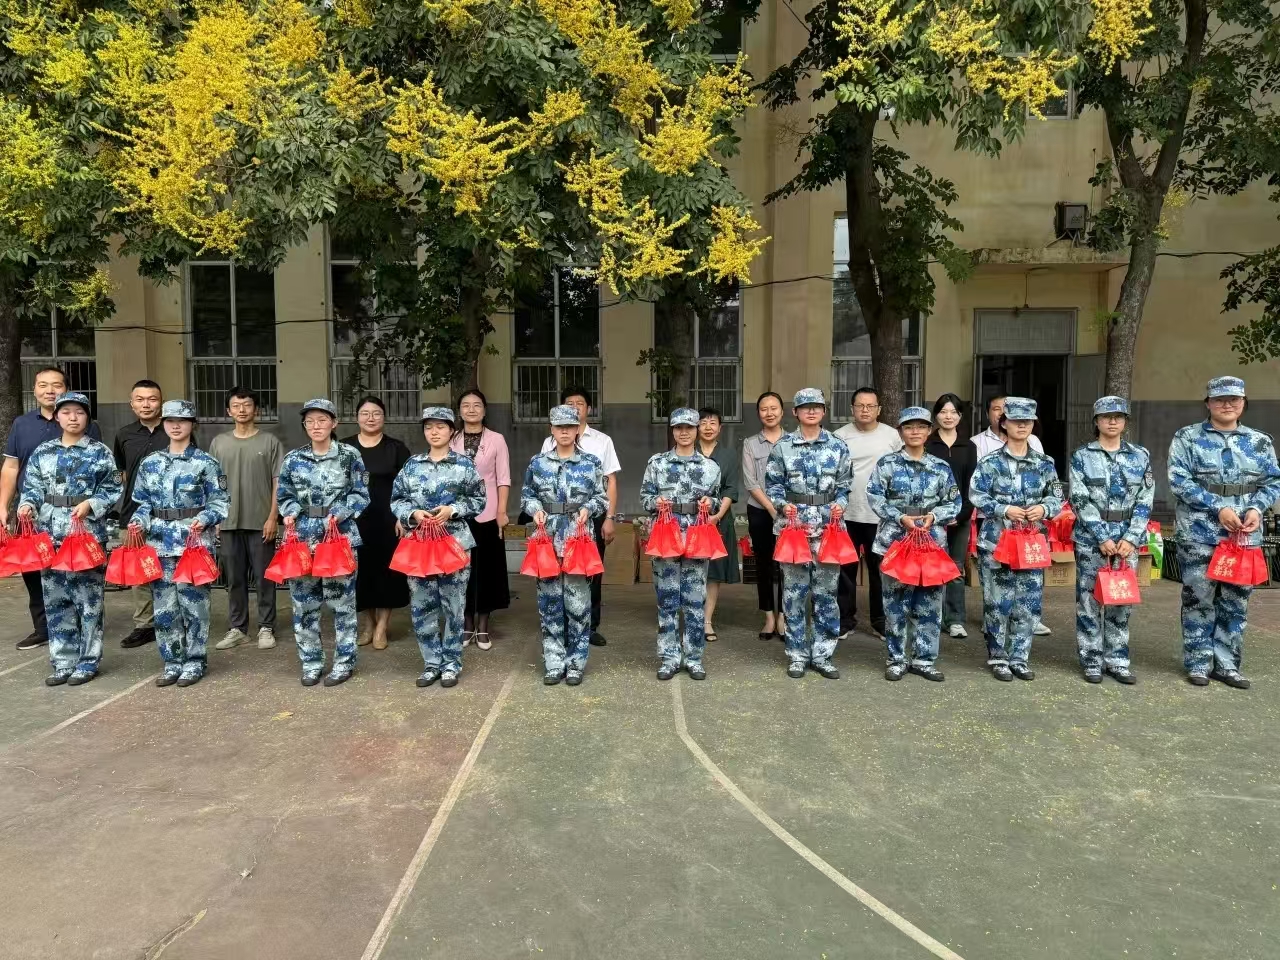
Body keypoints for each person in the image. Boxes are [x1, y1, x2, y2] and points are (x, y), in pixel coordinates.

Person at [1168, 376, 1280, 689]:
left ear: (1243, 403)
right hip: (1199, 532)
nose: (1227, 404)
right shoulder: (1187, 438)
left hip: (1243, 536)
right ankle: (1198, 663)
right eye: (1219, 399)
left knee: (1235, 601)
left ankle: (1228, 665)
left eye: (1234, 399)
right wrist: (1218, 507)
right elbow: (1179, 481)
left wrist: (1256, 508)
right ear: (1208, 403)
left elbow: (1272, 482)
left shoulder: (1259, 442)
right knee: (1198, 599)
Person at [17, 392, 121, 686]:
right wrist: (27, 505)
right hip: (50, 536)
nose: (73, 418)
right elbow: (32, 487)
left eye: (79, 412)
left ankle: (87, 662)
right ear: (56, 417)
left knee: (88, 602)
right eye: (66, 412)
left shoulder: (99, 452)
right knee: (56, 600)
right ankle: (63, 661)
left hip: (85, 535)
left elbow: (112, 489)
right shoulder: (43, 452)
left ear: (88, 417)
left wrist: (91, 504)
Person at [129, 401, 230, 688]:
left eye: (182, 420)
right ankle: (172, 662)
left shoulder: (206, 463)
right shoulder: (150, 463)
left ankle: (195, 661)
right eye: (170, 420)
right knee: (164, 610)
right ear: (163, 424)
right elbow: (142, 502)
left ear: (192, 424)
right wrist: (138, 521)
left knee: (194, 607)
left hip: (193, 545)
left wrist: (205, 518)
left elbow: (221, 502)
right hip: (159, 544)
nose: (176, 425)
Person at [1, 366, 101, 651]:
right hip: (32, 513)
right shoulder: (22, 424)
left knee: (75, 568)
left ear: (66, 389)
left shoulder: (82, 422)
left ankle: (78, 626)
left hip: (75, 514)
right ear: (34, 390)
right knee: (34, 569)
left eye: (56, 385)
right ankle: (43, 628)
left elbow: (99, 472)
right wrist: (3, 505)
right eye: (42, 384)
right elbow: (11, 467)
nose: (49, 390)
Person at [276, 399, 371, 687]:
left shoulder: (349, 455)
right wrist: (290, 512)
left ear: (334, 423)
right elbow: (284, 495)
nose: (316, 426)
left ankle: (344, 663)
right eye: (310, 421)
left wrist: (339, 513)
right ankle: (311, 663)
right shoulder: (294, 458)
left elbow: (361, 494)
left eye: (322, 420)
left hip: (338, 536)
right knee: (304, 605)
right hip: (303, 538)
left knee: (342, 604)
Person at [969, 397, 1064, 681]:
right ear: (1004, 424)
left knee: (1028, 602)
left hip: (1031, 542)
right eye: (1015, 420)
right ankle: (998, 657)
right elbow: (976, 494)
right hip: (997, 541)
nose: (1021, 425)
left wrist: (1044, 509)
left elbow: (1056, 497)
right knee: (997, 602)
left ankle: (1020, 657)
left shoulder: (1045, 463)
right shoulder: (989, 462)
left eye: (1027, 421)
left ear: (1033, 424)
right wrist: (1003, 509)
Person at [392, 407, 487, 688]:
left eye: (440, 427)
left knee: (454, 606)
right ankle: (431, 663)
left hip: (454, 543)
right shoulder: (412, 465)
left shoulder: (464, 465)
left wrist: (453, 509)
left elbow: (479, 500)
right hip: (419, 543)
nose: (434, 432)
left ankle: (451, 664)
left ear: (451, 431)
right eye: (429, 427)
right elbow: (397, 499)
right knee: (422, 606)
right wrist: (412, 514)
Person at [866, 407, 962, 681]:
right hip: (895, 543)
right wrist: (899, 517)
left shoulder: (941, 467)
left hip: (930, 544)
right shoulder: (887, 464)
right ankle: (896, 659)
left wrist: (934, 516)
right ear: (900, 431)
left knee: (929, 604)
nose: (915, 431)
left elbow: (954, 501)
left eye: (921, 426)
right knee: (895, 604)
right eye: (909, 427)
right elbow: (874, 496)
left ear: (929, 431)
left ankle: (924, 659)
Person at [765, 388, 852, 679]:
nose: (811, 411)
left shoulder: (838, 446)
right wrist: (782, 504)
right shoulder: (783, 447)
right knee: (794, 594)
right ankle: (797, 655)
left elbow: (845, 485)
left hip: (828, 528)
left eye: (816, 407)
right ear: (796, 412)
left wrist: (840, 504)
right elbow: (773, 485)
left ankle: (823, 654)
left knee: (826, 594)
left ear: (824, 411)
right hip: (794, 529)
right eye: (805, 407)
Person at [522, 404, 609, 686]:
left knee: (578, 605)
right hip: (546, 538)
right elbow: (526, 495)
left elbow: (602, 498)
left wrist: (588, 509)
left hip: (577, 538)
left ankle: (575, 664)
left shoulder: (591, 463)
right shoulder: (538, 463)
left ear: (577, 429)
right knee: (549, 605)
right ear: (552, 429)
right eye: (559, 427)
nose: (564, 431)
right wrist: (535, 509)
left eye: (569, 426)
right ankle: (554, 662)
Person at [1069, 396, 1154, 685]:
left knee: (1121, 600)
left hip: (1127, 540)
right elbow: (1079, 498)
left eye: (1118, 416)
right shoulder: (1082, 456)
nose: (1113, 421)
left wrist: (1131, 537)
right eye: (1106, 416)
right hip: (1092, 539)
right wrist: (1101, 536)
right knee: (1089, 600)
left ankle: (1117, 660)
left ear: (1126, 422)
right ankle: (1092, 660)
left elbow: (1145, 498)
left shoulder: (1140, 455)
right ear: (1097, 421)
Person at [641, 408, 721, 680]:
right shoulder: (657, 463)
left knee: (695, 600)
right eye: (678, 428)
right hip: (667, 534)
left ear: (697, 430)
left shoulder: (710, 467)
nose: (684, 432)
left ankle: (694, 657)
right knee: (667, 599)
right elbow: (645, 497)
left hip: (696, 536)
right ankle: (669, 657)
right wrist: (655, 502)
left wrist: (711, 502)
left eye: (689, 427)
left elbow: (717, 500)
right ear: (672, 431)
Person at [539, 385, 620, 647]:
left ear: (589, 409)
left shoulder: (602, 441)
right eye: (569, 403)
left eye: (580, 403)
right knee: (557, 570)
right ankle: (561, 624)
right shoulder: (550, 441)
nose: (575, 407)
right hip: (557, 519)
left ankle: (590, 625)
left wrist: (610, 517)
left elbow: (610, 481)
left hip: (590, 515)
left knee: (589, 570)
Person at [210, 387, 284, 651]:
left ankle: (266, 627)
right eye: (236, 405)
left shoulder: (270, 442)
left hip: (261, 522)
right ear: (228, 411)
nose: (242, 410)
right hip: (228, 522)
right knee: (234, 579)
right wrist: (215, 517)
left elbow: (278, 482)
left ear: (257, 410)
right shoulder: (219, 443)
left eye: (247, 405)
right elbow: (213, 484)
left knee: (265, 578)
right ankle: (238, 628)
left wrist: (273, 517)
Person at [342, 396, 410, 650]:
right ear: (357, 417)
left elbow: (408, 487)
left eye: (376, 413)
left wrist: (402, 517)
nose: (370, 418)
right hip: (354, 521)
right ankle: (368, 624)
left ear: (384, 417)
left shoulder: (396, 448)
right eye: (365, 413)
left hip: (388, 520)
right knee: (361, 574)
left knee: (387, 574)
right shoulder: (345, 448)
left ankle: (382, 626)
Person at [833, 387, 902, 639]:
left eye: (870, 406)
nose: (865, 410)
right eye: (860, 405)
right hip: (847, 513)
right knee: (845, 570)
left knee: (880, 570)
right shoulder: (839, 437)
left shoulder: (892, 436)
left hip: (880, 517)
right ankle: (845, 620)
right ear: (852, 409)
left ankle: (880, 621)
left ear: (879, 409)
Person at [113, 380, 173, 650]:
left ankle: (170, 618)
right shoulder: (124, 434)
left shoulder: (172, 430)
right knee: (139, 572)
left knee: (167, 567)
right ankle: (144, 625)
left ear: (161, 402)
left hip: (168, 515)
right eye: (140, 399)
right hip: (133, 513)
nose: (146, 404)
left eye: (152, 399)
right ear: (132, 404)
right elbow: (121, 473)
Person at [451, 388, 511, 649]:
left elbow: (503, 478)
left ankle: (483, 625)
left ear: (485, 410)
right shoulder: (450, 439)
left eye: (477, 405)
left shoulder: (496, 439)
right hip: (457, 514)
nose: (471, 409)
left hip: (488, 512)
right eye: (466, 405)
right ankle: (466, 623)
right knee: (460, 569)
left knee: (487, 569)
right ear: (459, 411)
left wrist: (502, 512)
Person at [925, 394, 977, 639]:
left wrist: (961, 514)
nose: (948, 416)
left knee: (956, 567)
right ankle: (930, 615)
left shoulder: (969, 446)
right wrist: (935, 514)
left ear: (960, 416)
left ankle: (955, 619)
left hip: (960, 516)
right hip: (930, 518)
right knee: (931, 565)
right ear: (936, 415)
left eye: (953, 412)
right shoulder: (928, 443)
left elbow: (972, 485)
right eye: (943, 412)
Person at [742, 391, 785, 640]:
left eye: (773, 408)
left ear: (782, 411)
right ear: (758, 413)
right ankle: (769, 616)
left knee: (788, 564)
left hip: (789, 512)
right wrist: (770, 507)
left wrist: (783, 508)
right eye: (764, 409)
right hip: (759, 510)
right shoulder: (750, 443)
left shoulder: (793, 441)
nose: (769, 413)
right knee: (764, 563)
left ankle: (784, 617)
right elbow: (750, 481)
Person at [696, 407, 739, 643]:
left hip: (718, 520)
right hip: (690, 521)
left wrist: (718, 516)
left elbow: (731, 489)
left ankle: (706, 621)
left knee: (713, 573)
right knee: (691, 569)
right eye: (703, 422)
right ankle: (692, 619)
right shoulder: (688, 451)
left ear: (720, 428)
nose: (708, 427)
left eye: (713, 423)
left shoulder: (728, 455)